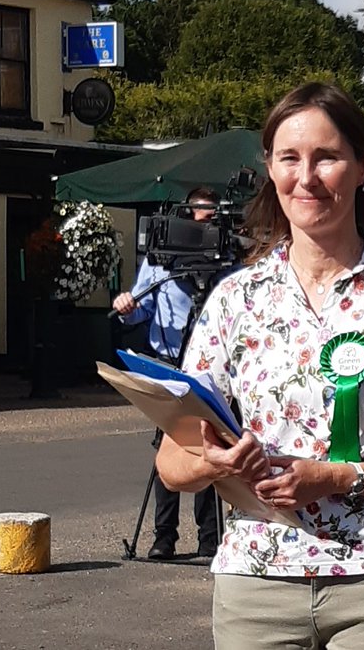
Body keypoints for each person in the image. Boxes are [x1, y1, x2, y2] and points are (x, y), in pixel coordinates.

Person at [155, 82, 364, 650]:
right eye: (289, 158)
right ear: (270, 168)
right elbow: (170, 463)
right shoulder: (235, 300)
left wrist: (338, 477)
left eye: (326, 157)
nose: (305, 177)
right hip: (256, 584)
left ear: (363, 166)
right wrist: (214, 461)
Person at [112, 186, 221, 560]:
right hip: (167, 365)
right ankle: (164, 537)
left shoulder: (227, 258)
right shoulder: (161, 260)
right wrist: (127, 306)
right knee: (168, 448)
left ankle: (210, 538)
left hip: (210, 370)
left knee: (208, 446)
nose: (207, 223)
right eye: (202, 215)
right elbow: (141, 309)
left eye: (213, 216)